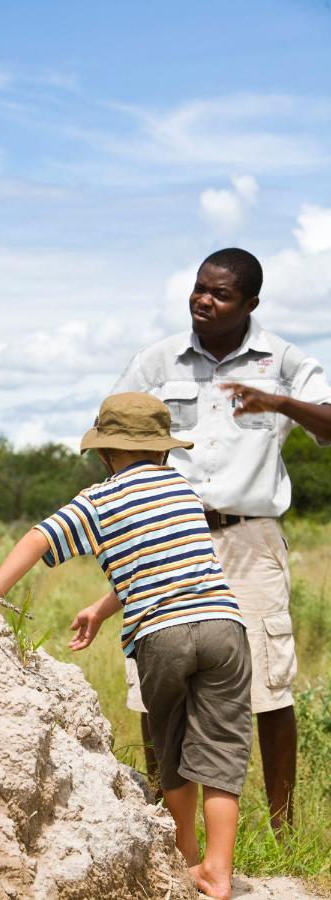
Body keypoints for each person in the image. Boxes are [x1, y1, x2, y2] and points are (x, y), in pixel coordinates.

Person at [0, 392, 252, 900]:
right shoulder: (183, 490)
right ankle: (219, 871)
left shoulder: (100, 498)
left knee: (171, 744)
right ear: (164, 451)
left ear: (106, 453)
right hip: (223, 626)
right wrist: (101, 609)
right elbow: (165, 562)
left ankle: (185, 857)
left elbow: (39, 538)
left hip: (162, 635)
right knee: (220, 751)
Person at [113, 247, 331, 830]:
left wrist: (280, 401)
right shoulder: (156, 362)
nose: (203, 300)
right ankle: (163, 827)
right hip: (168, 538)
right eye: (199, 288)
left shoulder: (281, 359)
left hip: (249, 541)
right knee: (157, 678)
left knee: (268, 682)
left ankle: (283, 833)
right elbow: (113, 440)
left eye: (221, 293)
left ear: (250, 304)